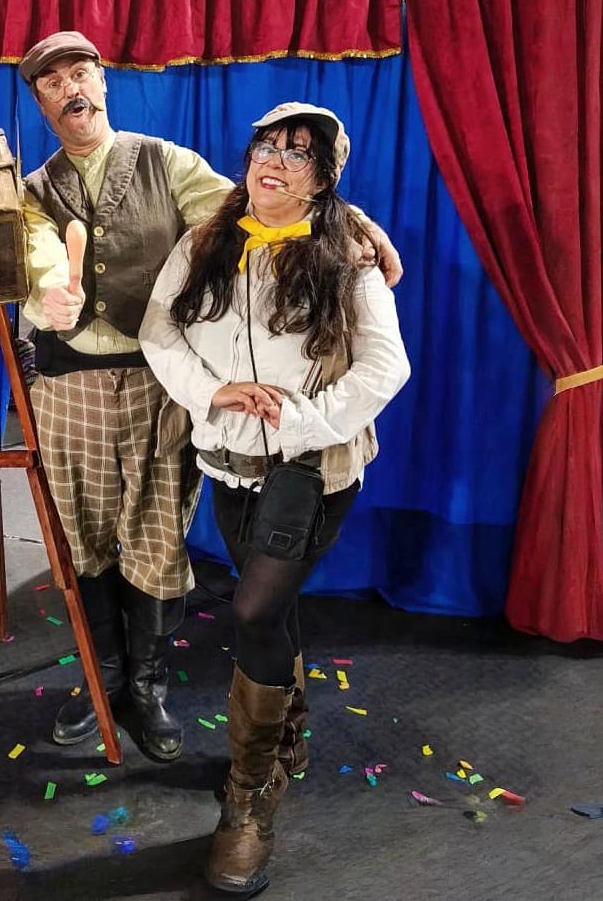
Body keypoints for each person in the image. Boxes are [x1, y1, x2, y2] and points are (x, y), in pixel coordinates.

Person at [18, 32, 403, 763]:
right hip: (68, 385)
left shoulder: (164, 162)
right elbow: (33, 256)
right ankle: (102, 678)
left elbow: (255, 202)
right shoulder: (30, 191)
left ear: (103, 82)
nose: (71, 90)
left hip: (161, 386)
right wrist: (47, 295)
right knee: (81, 538)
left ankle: (149, 684)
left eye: (81, 73)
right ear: (39, 102)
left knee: (158, 536)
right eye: (51, 82)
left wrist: (355, 221)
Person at [139, 102, 410, 893]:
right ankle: (286, 729)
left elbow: (386, 365)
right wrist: (213, 392)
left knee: (255, 609)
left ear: (322, 179)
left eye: (298, 153)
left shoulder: (347, 256)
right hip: (228, 461)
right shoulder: (206, 241)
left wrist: (300, 420)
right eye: (267, 145)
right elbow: (159, 332)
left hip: (311, 465)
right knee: (273, 608)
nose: (275, 161)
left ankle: (250, 793)